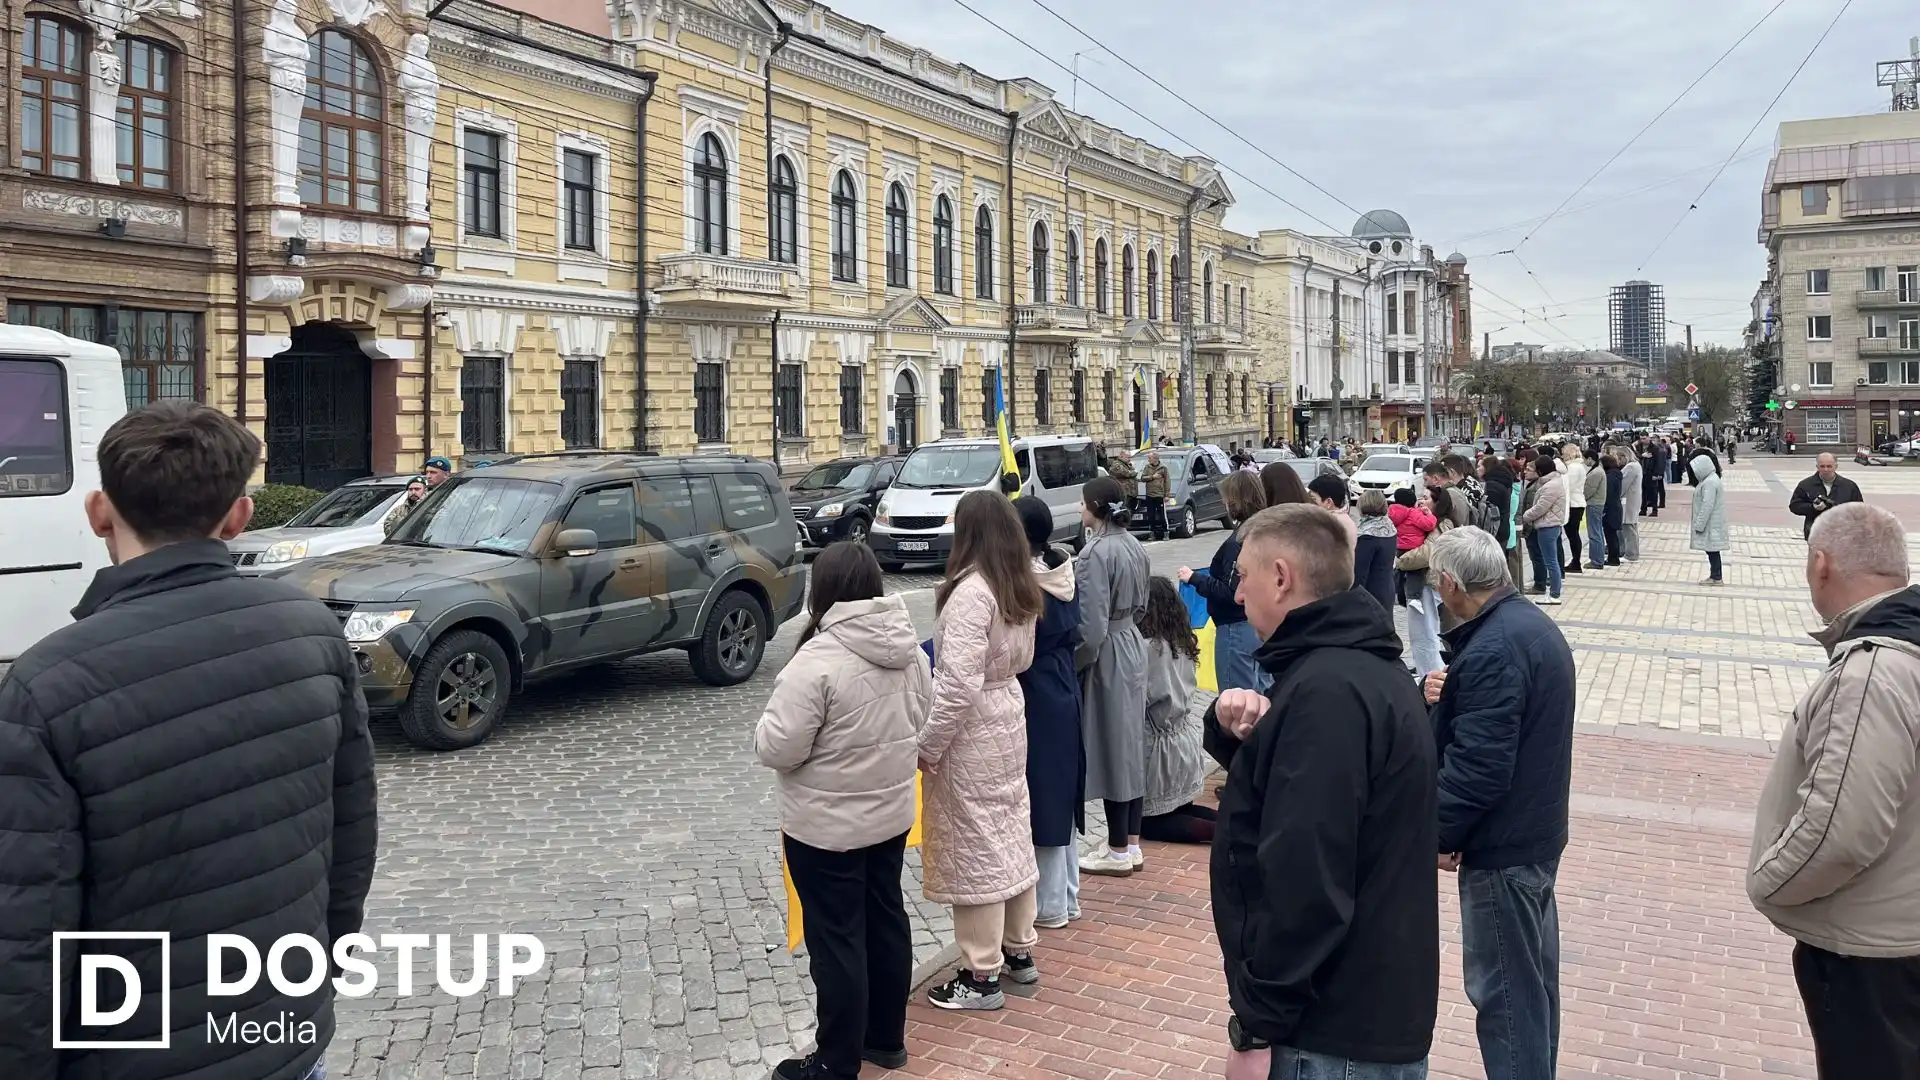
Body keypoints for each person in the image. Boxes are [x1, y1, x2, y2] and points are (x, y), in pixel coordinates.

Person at [0, 401, 378, 1080]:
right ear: (239, 517)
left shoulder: (44, 686)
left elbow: (25, 935)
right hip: (282, 1034)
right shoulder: (312, 628)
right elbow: (351, 839)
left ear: (97, 512)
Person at [1205, 505, 1438, 1080]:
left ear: (1281, 578)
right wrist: (1236, 736)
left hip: (1332, 1029)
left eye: (1243, 576)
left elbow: (1306, 876)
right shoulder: (1357, 670)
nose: (1237, 596)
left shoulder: (1328, 692)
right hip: (1365, 1010)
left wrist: (1257, 1024)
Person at [1749, 503, 1920, 1079]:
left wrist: (1769, 885)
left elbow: (1840, 832)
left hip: (1871, 954)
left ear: (1820, 565)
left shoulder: (1872, 671)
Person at [754, 542, 931, 1079]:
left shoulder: (817, 662)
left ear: (823, 592)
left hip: (826, 829)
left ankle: (835, 1061)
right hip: (891, 815)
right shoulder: (908, 648)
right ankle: (885, 1038)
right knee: (885, 919)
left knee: (836, 940)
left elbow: (777, 746)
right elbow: (923, 712)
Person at [1422, 526, 1577, 1080]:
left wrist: (1436, 836)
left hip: (1505, 849)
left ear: (1450, 583)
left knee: (1507, 996)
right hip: (1530, 835)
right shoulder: (1524, 627)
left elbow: (1478, 770)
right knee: (1530, 990)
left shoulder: (1495, 646)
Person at [919, 491, 1044, 1010]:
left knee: (976, 847)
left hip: (973, 729)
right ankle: (1019, 951)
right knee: (1010, 830)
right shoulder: (1015, 581)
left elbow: (955, 687)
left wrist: (928, 746)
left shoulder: (973, 592)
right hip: (1008, 713)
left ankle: (980, 973)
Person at [1011, 497, 1085, 931]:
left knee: (1043, 794)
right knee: (1059, 789)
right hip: (1061, 686)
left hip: (1039, 692)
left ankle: (1051, 904)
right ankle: (1068, 896)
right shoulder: (1061, 567)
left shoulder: (1030, 584)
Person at [1074, 476, 1152, 878]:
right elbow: (1142, 606)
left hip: (1109, 651)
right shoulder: (1134, 544)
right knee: (1130, 743)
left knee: (1113, 745)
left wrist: (1076, 664)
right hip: (1131, 641)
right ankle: (1131, 842)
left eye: (1084, 503)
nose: (1079, 509)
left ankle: (1118, 847)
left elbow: (1091, 627)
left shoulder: (1095, 553)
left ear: (1096, 508)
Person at [1178, 471, 1268, 693]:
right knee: (1260, 693)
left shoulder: (1239, 539)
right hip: (1259, 623)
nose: (1224, 503)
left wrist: (1195, 579)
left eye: (1226, 498)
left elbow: (1232, 592)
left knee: (1236, 699)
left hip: (1236, 628)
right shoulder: (1266, 529)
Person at [1137, 576, 1211, 845]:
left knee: (1152, 823)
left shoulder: (1147, 649)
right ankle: (1236, 823)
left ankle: (1226, 831)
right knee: (1182, 809)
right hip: (1184, 741)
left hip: (1160, 749)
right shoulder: (1181, 641)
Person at [1395, 485, 1455, 676]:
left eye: (1426, 498)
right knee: (1424, 632)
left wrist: (1399, 561)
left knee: (1424, 634)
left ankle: (1431, 675)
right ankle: (1428, 673)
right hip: (1428, 584)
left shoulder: (1439, 525)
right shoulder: (1428, 522)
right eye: (1420, 497)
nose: (1420, 501)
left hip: (1427, 585)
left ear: (1438, 503)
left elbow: (1426, 554)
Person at [1520, 454, 1567, 605]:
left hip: (1548, 526)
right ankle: (1553, 592)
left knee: (1551, 562)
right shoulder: (1551, 482)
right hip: (1549, 525)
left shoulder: (1551, 485)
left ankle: (1554, 594)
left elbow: (1541, 507)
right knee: (1550, 560)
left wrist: (1525, 516)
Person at [1788, 453, 1864, 540]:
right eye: (1822, 466)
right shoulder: (1806, 485)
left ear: (1836, 466)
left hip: (1842, 536)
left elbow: (1860, 510)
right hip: (1815, 534)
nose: (1826, 469)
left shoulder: (1849, 486)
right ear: (1817, 467)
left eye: (1829, 466)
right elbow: (1794, 506)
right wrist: (1813, 508)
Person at [1354, 489, 1398, 614]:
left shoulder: (1367, 535)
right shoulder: (1389, 527)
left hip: (1370, 594)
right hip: (1386, 588)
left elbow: (1359, 573)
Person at [1690, 451, 1729, 586]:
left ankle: (1716, 577)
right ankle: (1715, 575)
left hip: (1711, 523)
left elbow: (1707, 504)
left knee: (1712, 550)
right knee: (1712, 550)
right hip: (1712, 522)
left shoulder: (1710, 483)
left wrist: (1699, 524)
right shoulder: (1710, 479)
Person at [1306, 473, 1359, 547]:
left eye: (1314, 499)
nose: (1310, 503)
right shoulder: (1343, 518)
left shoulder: (1330, 524)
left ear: (1328, 502)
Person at [1560, 444, 1588, 575]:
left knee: (1572, 534)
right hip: (1577, 502)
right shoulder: (1579, 466)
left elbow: (1567, 485)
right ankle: (1575, 561)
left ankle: (1576, 562)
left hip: (1574, 503)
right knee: (1573, 534)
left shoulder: (1573, 468)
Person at [1578, 448, 1605, 571]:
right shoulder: (1597, 470)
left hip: (1594, 504)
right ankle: (1597, 558)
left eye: (1585, 459)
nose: (1584, 462)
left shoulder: (1596, 473)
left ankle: (1596, 560)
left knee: (1594, 533)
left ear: (1590, 459)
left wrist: (1581, 497)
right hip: (1596, 504)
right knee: (1596, 531)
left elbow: (1589, 490)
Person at [1618, 447, 1643, 562]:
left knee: (1629, 527)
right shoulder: (1635, 465)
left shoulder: (1631, 467)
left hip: (1628, 500)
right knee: (1629, 526)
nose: (1619, 461)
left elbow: (1622, 485)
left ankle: (1631, 553)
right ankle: (1627, 551)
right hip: (1631, 500)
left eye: (1620, 458)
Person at [1600, 453, 1624, 566]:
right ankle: (1613, 557)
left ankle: (1613, 558)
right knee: (1612, 535)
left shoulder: (1609, 477)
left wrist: (1604, 509)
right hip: (1615, 508)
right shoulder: (1616, 474)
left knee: (1610, 535)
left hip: (1610, 510)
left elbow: (1607, 494)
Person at [1140, 452, 1171, 540]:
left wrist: (1166, 495)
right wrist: (1152, 477)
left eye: (1150, 458)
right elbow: (1142, 478)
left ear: (1155, 459)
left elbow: (1167, 482)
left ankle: (1165, 532)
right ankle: (1152, 533)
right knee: (1151, 515)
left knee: (1162, 515)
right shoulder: (1147, 467)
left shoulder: (1163, 468)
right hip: (1149, 495)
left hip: (1160, 495)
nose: (1148, 460)